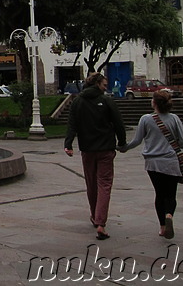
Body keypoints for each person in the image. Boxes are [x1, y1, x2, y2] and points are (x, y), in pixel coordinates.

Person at [64, 72, 127, 240]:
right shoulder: (106, 101)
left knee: (91, 184)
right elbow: (118, 123)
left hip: (87, 149)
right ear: (98, 84)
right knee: (104, 184)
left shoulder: (77, 101)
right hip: (106, 148)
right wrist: (122, 142)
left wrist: (68, 144)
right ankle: (100, 223)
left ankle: (94, 215)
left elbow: (72, 124)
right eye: (105, 85)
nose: (106, 88)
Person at [118, 90, 183, 239]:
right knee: (171, 195)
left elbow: (137, 140)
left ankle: (162, 227)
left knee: (159, 194)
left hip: (153, 163)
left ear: (154, 103)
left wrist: (124, 148)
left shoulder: (146, 119)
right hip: (171, 161)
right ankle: (169, 215)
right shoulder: (174, 119)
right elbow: (182, 141)